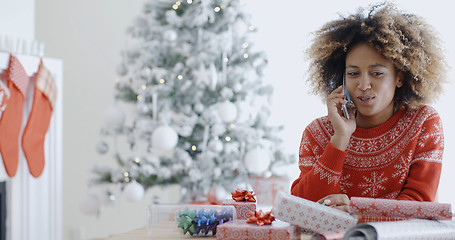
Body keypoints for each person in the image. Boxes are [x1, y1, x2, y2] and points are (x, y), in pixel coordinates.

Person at [290, 2, 448, 213]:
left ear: (399, 77)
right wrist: (340, 139)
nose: (363, 86)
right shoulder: (317, 133)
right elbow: (303, 209)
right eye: (353, 74)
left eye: (377, 73)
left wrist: (356, 213)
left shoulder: (424, 122)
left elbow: (417, 206)